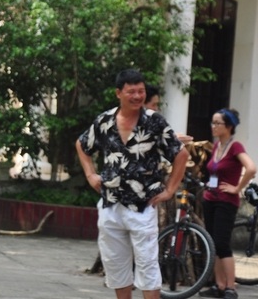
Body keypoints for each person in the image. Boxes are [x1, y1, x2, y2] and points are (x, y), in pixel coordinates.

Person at [76, 69, 189, 299]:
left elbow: (181, 155)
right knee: (115, 263)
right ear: (119, 93)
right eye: (132, 91)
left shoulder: (154, 121)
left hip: (143, 205)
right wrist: (90, 175)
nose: (137, 96)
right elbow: (82, 145)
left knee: (147, 263)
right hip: (111, 204)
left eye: (141, 91)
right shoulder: (105, 121)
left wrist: (170, 190)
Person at [198, 109, 256, 299]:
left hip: (226, 201)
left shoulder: (235, 146)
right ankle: (219, 285)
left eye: (218, 123)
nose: (213, 127)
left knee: (222, 244)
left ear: (229, 127)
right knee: (213, 243)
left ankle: (230, 287)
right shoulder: (217, 146)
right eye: (212, 123)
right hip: (211, 199)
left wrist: (236, 187)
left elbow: (251, 168)